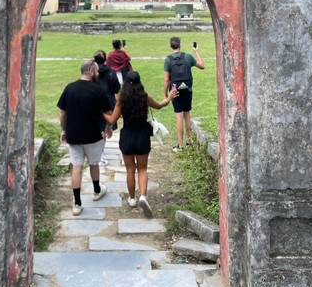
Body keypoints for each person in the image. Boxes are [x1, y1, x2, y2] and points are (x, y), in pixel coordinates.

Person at [103, 70, 178, 218]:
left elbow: (112, 120)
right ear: (139, 82)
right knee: (142, 169)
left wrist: (100, 112)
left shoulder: (122, 100)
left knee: (130, 170)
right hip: (143, 134)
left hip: (127, 135)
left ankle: (132, 198)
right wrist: (169, 97)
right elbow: (159, 105)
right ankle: (143, 196)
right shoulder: (145, 97)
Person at [57, 59, 113, 216]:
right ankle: (96, 190)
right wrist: (108, 128)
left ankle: (77, 203)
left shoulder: (70, 88)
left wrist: (63, 130)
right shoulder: (98, 89)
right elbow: (108, 112)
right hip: (94, 135)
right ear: (90, 70)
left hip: (74, 135)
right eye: (95, 70)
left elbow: (62, 113)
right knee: (94, 163)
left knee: (77, 166)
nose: (98, 73)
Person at [163, 36, 205, 152]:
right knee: (187, 114)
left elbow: (166, 80)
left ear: (171, 46)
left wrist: (165, 94)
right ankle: (188, 141)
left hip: (175, 90)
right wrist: (196, 51)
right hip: (187, 89)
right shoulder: (188, 57)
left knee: (178, 115)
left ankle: (180, 146)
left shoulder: (168, 60)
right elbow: (202, 65)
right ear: (180, 45)